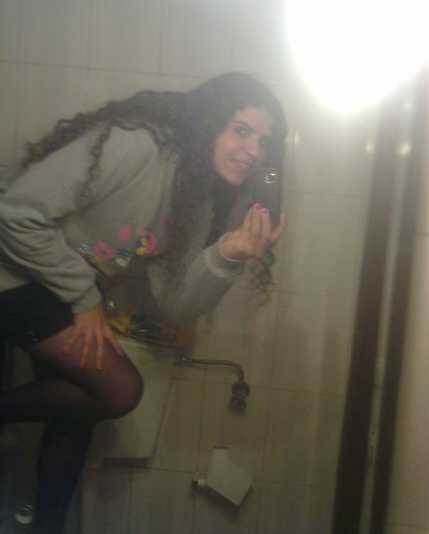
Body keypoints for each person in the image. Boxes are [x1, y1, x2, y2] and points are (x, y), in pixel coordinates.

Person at [0, 72, 287, 533]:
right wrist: (84, 296)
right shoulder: (136, 145)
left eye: (264, 142)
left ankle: (47, 525)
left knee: (76, 410)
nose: (254, 151)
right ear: (208, 123)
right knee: (118, 390)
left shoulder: (195, 197)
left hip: (47, 283)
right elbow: (15, 214)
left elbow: (176, 303)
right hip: (9, 268)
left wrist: (228, 254)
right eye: (241, 130)